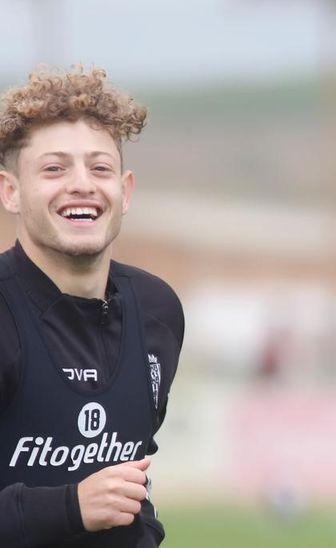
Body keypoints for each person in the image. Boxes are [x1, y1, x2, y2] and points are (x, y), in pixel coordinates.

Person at [0, 67, 184, 547]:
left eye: (99, 168)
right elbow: (90, 504)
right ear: (10, 191)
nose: (81, 184)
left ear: (124, 191)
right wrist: (70, 507)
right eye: (54, 168)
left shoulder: (157, 309)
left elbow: (133, 488)